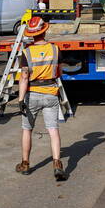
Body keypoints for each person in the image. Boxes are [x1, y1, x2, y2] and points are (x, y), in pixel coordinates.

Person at [16, 16, 67, 181]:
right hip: (51, 93)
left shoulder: (27, 52)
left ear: (31, 34)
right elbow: (60, 72)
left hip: (32, 94)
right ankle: (57, 164)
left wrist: (20, 99)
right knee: (53, 130)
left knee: (27, 129)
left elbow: (24, 77)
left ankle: (25, 164)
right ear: (44, 31)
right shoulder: (55, 49)